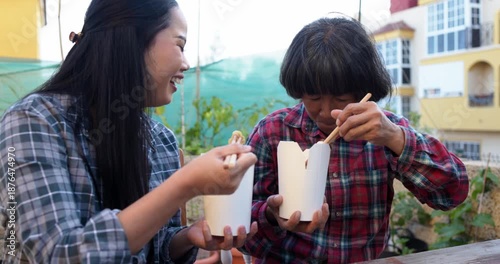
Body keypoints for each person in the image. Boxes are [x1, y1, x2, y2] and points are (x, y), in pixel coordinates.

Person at [0, 0, 257, 263]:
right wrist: (185, 185)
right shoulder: (33, 122)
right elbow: (57, 254)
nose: (186, 64)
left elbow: (151, 248)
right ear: (132, 43)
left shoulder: (161, 139)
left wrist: (187, 237)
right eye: (180, 46)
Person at [240, 16, 469, 263]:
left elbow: (452, 194)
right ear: (299, 90)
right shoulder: (273, 132)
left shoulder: (385, 131)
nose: (326, 111)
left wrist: (395, 138)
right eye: (314, 97)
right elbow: (240, 236)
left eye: (340, 98)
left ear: (362, 90)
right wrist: (272, 217)